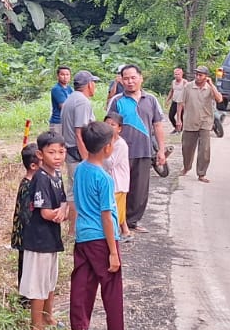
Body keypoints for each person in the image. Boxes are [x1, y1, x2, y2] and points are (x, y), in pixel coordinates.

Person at [69, 121, 124, 330]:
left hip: (83, 235)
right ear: (107, 148)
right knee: (111, 286)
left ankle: (79, 329)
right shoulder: (104, 178)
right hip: (102, 237)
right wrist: (113, 251)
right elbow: (106, 215)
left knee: (82, 281)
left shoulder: (80, 169)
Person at [107, 64, 168, 234]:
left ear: (141, 78)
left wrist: (161, 150)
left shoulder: (151, 100)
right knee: (120, 188)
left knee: (140, 190)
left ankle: (132, 222)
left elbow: (157, 125)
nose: (130, 81)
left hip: (144, 151)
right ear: (121, 80)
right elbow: (109, 125)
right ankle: (117, 222)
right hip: (120, 153)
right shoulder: (117, 101)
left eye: (133, 77)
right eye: (126, 78)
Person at [19, 133, 70, 330]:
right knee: (38, 285)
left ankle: (48, 316)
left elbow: (64, 202)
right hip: (38, 240)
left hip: (52, 238)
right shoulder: (40, 178)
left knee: (50, 281)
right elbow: (45, 212)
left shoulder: (56, 175)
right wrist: (59, 214)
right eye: (51, 152)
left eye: (61, 152)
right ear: (40, 154)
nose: (57, 157)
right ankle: (36, 327)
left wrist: (64, 210)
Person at [176, 66, 224, 182]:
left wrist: (212, 85)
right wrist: (178, 119)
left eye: (200, 75)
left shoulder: (209, 88)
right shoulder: (188, 86)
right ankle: (186, 167)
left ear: (206, 77)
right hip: (190, 121)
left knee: (204, 150)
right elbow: (180, 103)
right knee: (187, 148)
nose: (198, 77)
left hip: (205, 122)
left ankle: (201, 173)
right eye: (196, 74)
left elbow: (219, 99)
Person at [10, 143, 42, 292]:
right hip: (26, 235)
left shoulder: (30, 184)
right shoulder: (28, 187)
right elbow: (25, 214)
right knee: (26, 266)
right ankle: (25, 297)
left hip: (27, 235)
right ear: (34, 166)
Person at [59, 70, 98, 186]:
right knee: (81, 190)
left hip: (71, 151)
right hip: (77, 154)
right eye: (94, 83)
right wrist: (87, 160)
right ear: (90, 84)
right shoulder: (82, 102)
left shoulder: (71, 98)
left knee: (73, 190)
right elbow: (79, 133)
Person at [102, 110, 132, 239]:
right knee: (119, 209)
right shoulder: (107, 142)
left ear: (119, 128)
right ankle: (125, 231)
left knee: (115, 212)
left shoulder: (120, 145)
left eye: (113, 125)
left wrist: (100, 151)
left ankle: (113, 235)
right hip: (110, 181)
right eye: (107, 124)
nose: (109, 127)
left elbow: (110, 163)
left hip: (118, 183)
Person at [48, 66, 73, 138]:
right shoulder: (56, 89)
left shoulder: (69, 89)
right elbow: (63, 106)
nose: (65, 77)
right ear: (58, 76)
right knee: (56, 143)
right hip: (57, 122)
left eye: (67, 74)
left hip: (66, 122)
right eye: (62, 74)